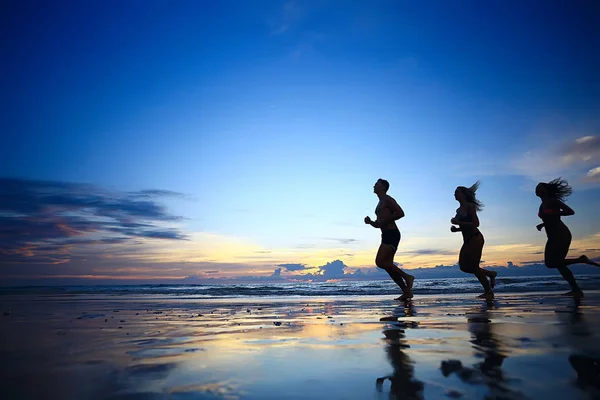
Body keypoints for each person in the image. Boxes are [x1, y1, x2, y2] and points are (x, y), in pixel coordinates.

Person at [535, 178, 600, 297]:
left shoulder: (553, 201)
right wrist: (543, 224)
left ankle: (576, 289)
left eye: (540, 187)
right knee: (550, 263)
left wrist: (555, 213)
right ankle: (580, 262)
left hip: (561, 234)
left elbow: (570, 211)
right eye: (537, 187)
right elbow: (549, 219)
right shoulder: (541, 205)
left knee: (558, 263)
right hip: (551, 236)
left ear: (547, 190)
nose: (537, 189)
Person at [364, 178, 414, 300]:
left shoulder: (388, 199)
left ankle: (407, 277)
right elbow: (379, 224)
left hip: (392, 233)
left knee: (380, 262)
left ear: (383, 187)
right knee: (388, 265)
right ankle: (406, 292)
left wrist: (386, 219)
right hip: (385, 234)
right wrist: (370, 222)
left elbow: (401, 213)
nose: (374, 185)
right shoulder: (379, 203)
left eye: (377, 184)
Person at [450, 181, 497, 300]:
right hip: (467, 240)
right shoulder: (458, 210)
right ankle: (490, 274)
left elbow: (476, 223)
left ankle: (488, 292)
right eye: (454, 192)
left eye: (457, 192)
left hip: (475, 238)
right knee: (464, 267)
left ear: (464, 194)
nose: (455, 194)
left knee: (474, 266)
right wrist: (457, 229)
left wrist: (459, 223)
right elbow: (466, 225)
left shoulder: (470, 206)